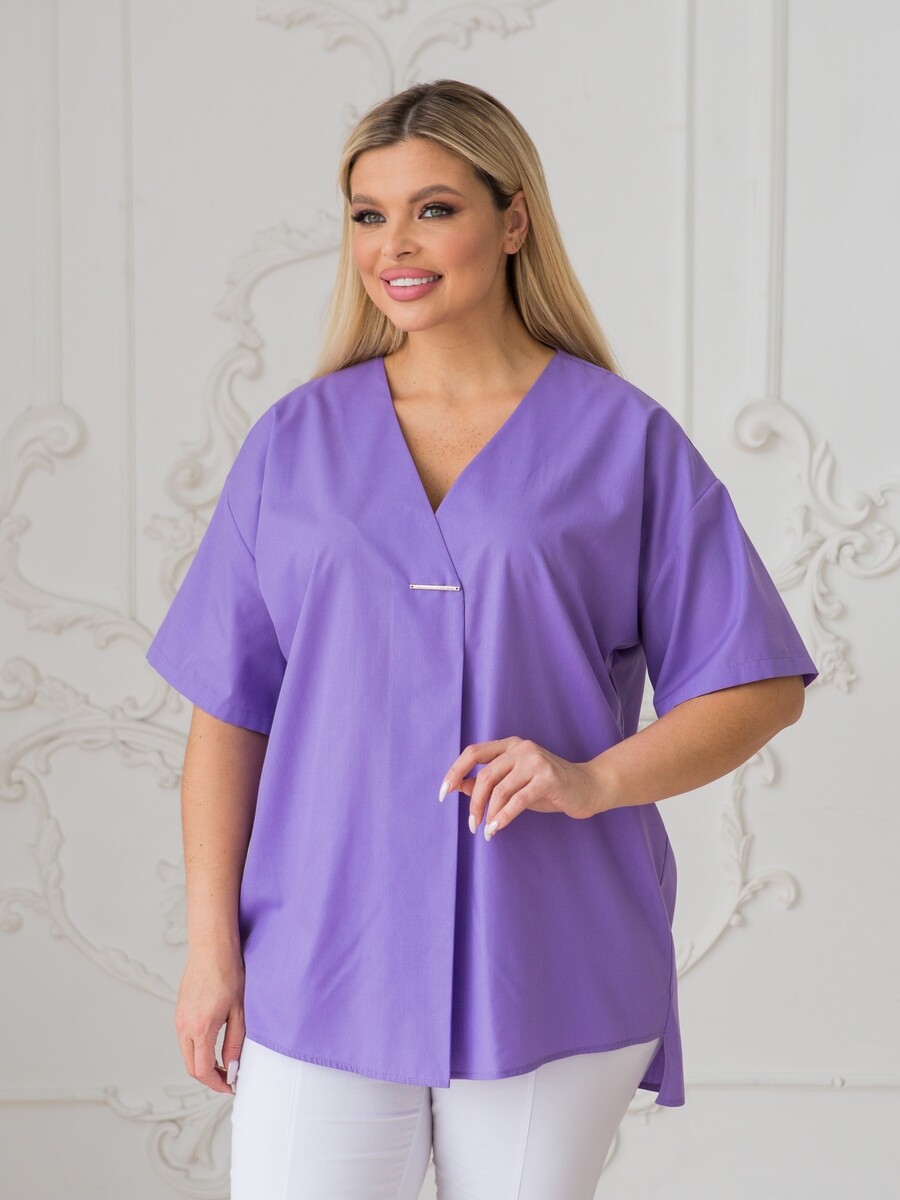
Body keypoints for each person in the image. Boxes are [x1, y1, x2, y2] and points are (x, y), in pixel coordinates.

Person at [146, 79, 818, 1198]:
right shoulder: (294, 444)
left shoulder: (623, 440)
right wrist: (212, 950)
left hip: (547, 953)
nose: (395, 246)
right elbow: (229, 712)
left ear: (513, 222)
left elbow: (756, 684)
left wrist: (595, 778)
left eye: (434, 209)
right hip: (323, 953)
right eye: (369, 215)